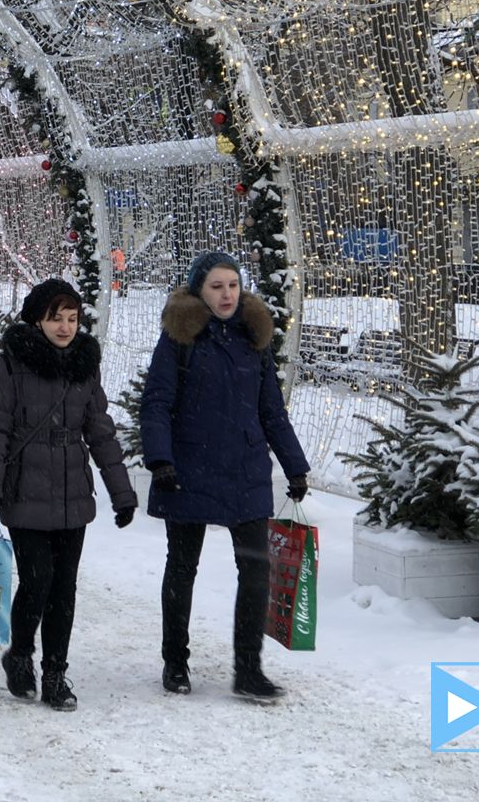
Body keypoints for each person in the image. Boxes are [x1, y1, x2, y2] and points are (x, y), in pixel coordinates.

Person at [140, 251, 310, 703]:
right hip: (189, 468)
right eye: (216, 286)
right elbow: (156, 401)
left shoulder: (254, 338)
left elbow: (271, 409)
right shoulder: (180, 336)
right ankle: (175, 660)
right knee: (182, 567)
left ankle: (248, 669)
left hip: (245, 470)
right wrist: (160, 458)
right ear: (200, 290)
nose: (226, 294)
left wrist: (295, 464)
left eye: (232, 285)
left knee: (256, 569)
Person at [0, 278, 136, 712]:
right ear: (37, 319)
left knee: (65, 588)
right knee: (38, 579)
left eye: (72, 318)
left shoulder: (84, 364)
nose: (65, 327)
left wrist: (122, 493)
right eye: (55, 318)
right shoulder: (11, 364)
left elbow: (100, 433)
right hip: (25, 491)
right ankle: (21, 654)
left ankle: (56, 674)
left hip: (72, 494)